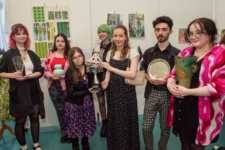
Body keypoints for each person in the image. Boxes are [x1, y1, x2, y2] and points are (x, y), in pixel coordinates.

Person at [166, 18, 225, 150]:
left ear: (210, 33)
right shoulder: (186, 52)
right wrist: (170, 84)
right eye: (191, 33)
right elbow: (172, 74)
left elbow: (218, 88)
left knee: (196, 145)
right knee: (184, 143)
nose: (193, 37)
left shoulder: (220, 54)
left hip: (202, 110)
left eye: (198, 33)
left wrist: (188, 92)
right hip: (183, 106)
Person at [0, 23, 45, 150]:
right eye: (18, 33)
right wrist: (12, 75)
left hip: (34, 90)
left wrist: (29, 76)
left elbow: (40, 71)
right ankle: (23, 147)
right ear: (13, 36)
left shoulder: (31, 53)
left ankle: (36, 145)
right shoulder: (9, 54)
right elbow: (0, 72)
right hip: (18, 92)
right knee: (20, 121)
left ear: (27, 35)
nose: (21, 36)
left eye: (23, 33)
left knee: (35, 118)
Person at [140, 16, 180, 150]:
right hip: (152, 92)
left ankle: (162, 147)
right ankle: (149, 148)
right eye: (158, 30)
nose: (160, 33)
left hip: (169, 95)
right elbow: (142, 69)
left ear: (170, 31)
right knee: (146, 127)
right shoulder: (148, 52)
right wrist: (147, 77)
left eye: (164, 29)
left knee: (165, 127)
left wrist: (170, 80)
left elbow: (181, 77)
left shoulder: (178, 54)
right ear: (155, 32)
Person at [101, 25, 140, 150]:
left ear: (126, 37)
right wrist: (106, 81)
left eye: (121, 36)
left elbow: (132, 74)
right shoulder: (110, 52)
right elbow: (108, 72)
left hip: (126, 91)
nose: (117, 39)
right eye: (115, 36)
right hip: (113, 91)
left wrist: (111, 68)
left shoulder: (132, 52)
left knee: (125, 121)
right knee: (115, 121)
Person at [65, 47, 96, 150]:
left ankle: (85, 144)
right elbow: (71, 93)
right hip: (74, 105)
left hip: (87, 104)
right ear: (71, 60)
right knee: (74, 131)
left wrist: (90, 73)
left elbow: (92, 85)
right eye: (74, 58)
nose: (78, 59)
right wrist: (87, 91)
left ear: (83, 56)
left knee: (85, 129)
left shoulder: (88, 69)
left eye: (79, 56)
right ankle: (75, 146)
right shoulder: (69, 72)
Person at [43, 33, 70, 143]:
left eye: (62, 41)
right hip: (54, 87)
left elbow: (75, 70)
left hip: (68, 87)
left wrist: (66, 76)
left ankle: (71, 133)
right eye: (58, 41)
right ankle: (64, 133)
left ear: (66, 43)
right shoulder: (50, 55)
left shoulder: (70, 55)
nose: (60, 43)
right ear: (55, 43)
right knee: (60, 111)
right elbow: (44, 71)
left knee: (69, 111)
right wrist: (51, 76)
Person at [92, 24, 111, 137]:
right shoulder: (96, 46)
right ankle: (105, 124)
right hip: (98, 77)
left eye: (104, 31)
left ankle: (111, 124)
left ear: (108, 33)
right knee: (100, 101)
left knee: (110, 101)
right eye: (99, 32)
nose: (101, 34)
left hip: (110, 77)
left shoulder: (114, 46)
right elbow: (94, 60)